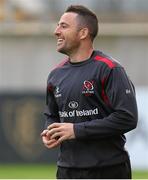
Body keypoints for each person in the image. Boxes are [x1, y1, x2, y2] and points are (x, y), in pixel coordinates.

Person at [41, 5, 138, 179]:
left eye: (64, 26)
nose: (56, 31)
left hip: (108, 170)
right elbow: (51, 114)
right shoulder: (55, 75)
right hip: (67, 170)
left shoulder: (109, 69)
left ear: (83, 33)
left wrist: (76, 130)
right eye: (58, 25)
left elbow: (127, 118)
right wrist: (50, 131)